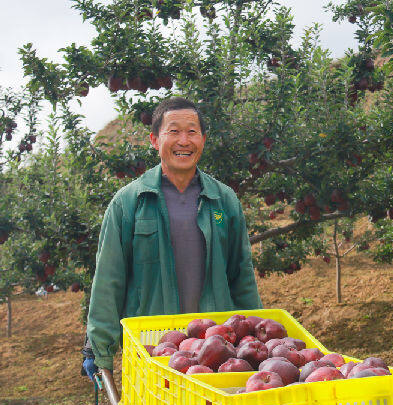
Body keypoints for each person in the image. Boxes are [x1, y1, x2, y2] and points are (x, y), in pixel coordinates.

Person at [81, 96, 262, 380]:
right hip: (152, 349)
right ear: (154, 139)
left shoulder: (223, 200)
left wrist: (256, 339)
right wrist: (98, 348)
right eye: (173, 131)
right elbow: (109, 280)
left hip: (216, 353)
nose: (184, 140)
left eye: (192, 132)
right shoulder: (129, 203)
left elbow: (242, 276)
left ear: (203, 139)